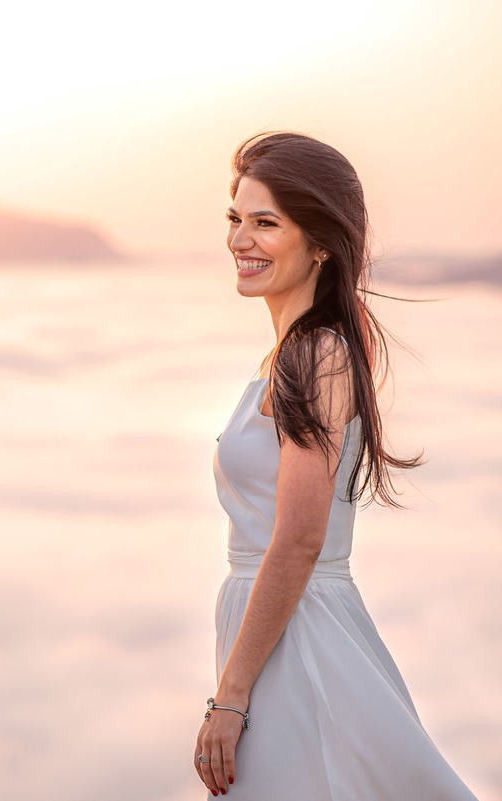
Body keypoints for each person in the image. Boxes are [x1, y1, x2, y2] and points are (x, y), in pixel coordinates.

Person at [193, 132, 478, 799]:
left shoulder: (315, 356)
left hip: (301, 637)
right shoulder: (289, 355)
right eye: (236, 218)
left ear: (320, 241)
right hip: (274, 626)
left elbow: (298, 536)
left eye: (267, 223)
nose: (241, 239)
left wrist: (230, 699)